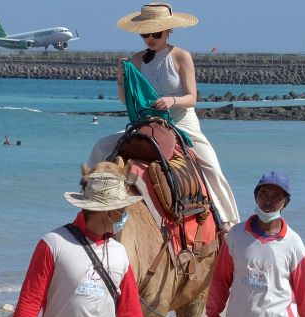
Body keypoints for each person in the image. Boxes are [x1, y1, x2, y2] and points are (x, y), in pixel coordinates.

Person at [88, 2, 239, 229]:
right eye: (144, 33)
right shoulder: (136, 60)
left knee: (211, 166)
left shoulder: (181, 56)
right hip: (148, 122)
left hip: (180, 120)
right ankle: (92, 203)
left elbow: (192, 97)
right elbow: (125, 99)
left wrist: (172, 100)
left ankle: (227, 222)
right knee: (101, 146)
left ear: (168, 31)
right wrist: (121, 79)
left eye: (156, 33)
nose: (150, 38)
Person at [0, 172, 150, 317]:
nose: (125, 215)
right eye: (122, 209)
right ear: (108, 211)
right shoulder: (53, 243)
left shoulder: (119, 252)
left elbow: (129, 312)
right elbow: (30, 300)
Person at [201, 170, 305, 317]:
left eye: (276, 195)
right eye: (264, 194)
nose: (268, 201)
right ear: (255, 196)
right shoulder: (235, 236)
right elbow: (219, 284)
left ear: (285, 202)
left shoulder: (293, 243)